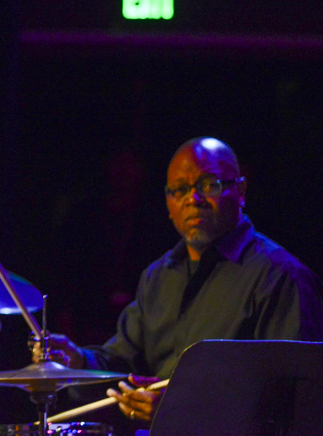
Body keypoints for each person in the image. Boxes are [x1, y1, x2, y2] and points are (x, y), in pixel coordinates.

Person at [35, 137, 323, 425]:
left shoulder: (281, 277)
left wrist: (184, 412)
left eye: (209, 184)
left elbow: (294, 401)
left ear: (241, 190)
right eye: (180, 190)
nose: (193, 199)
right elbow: (121, 365)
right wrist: (77, 362)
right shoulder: (158, 277)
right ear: (168, 202)